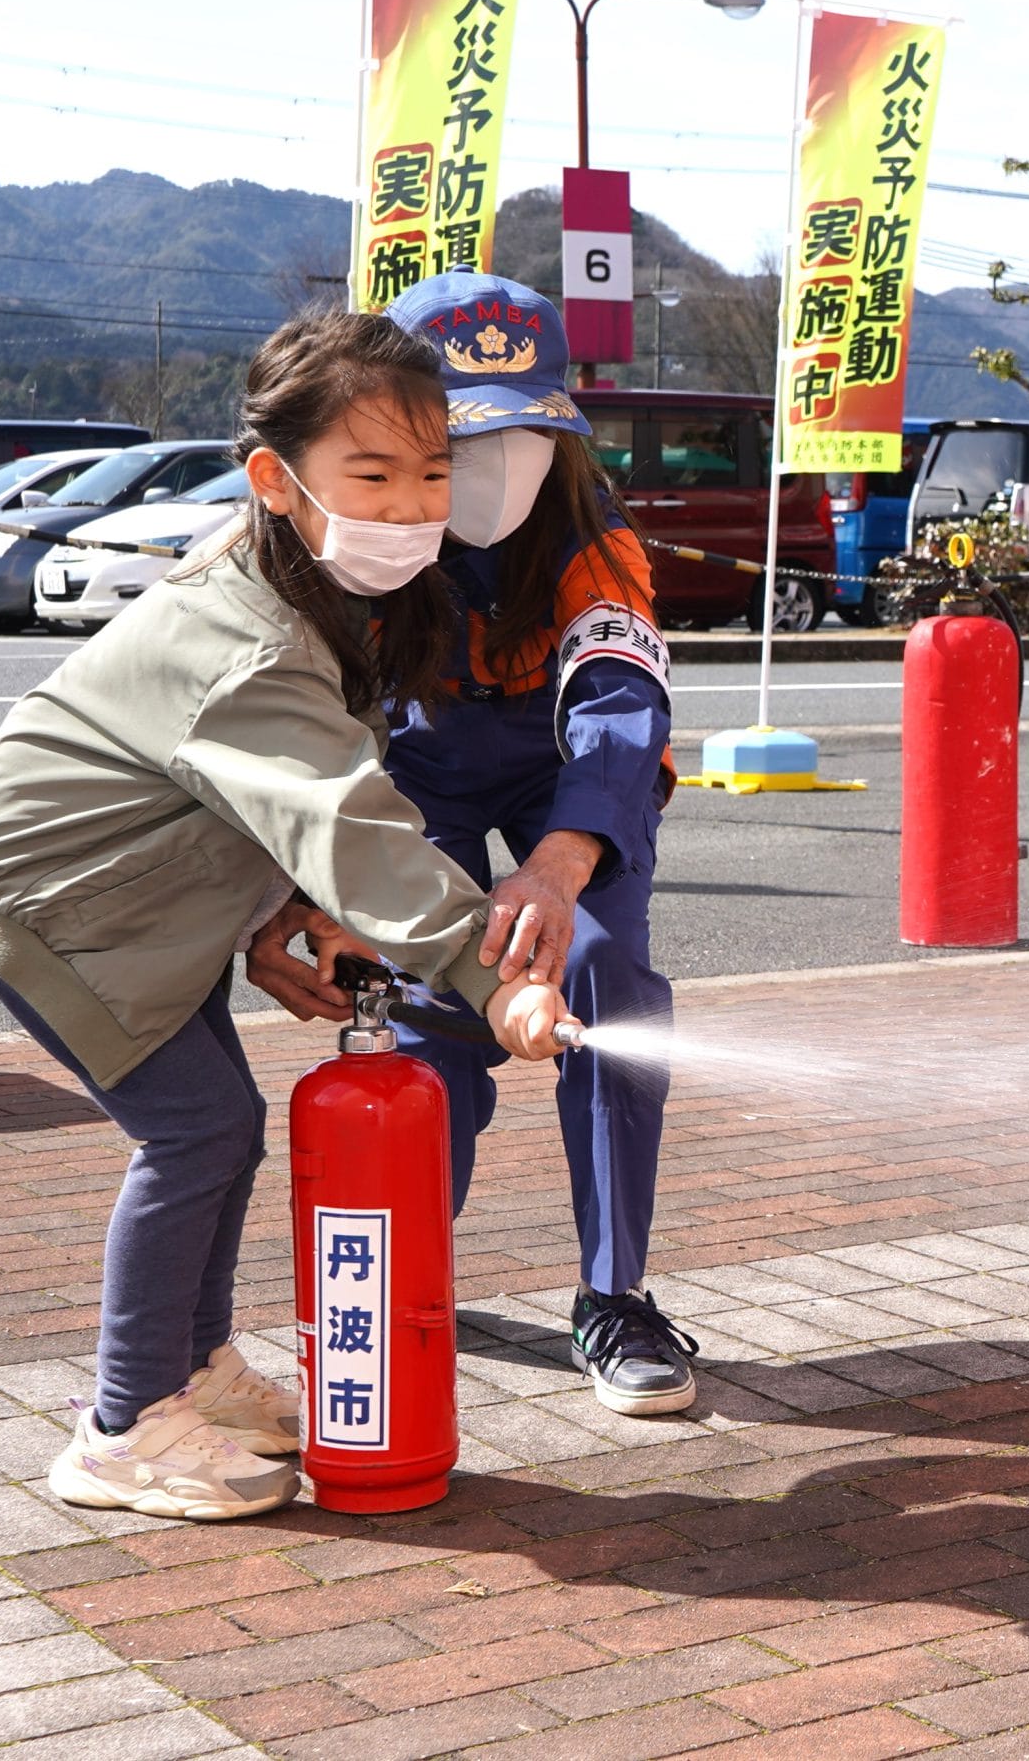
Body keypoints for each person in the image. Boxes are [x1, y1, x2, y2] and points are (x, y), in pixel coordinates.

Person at [0, 311, 577, 1521]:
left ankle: (192, 1373)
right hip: (52, 896)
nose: (409, 504)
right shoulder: (249, 635)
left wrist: (294, 909)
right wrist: (494, 981)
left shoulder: (321, 589)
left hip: (138, 883)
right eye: (370, 474)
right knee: (193, 1133)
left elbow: (282, 800)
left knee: (223, 1126)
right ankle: (121, 1427)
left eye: (432, 472)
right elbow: (348, 817)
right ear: (277, 479)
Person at [248, 272, 692, 1416]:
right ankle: (407, 1268)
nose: (498, 473)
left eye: (531, 437)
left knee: (604, 984)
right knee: (425, 1002)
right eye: (464, 442)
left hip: (568, 775)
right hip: (422, 764)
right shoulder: (359, 532)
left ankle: (616, 1295)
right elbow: (294, 725)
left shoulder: (596, 537)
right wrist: (306, 886)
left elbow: (616, 699)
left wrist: (562, 858)